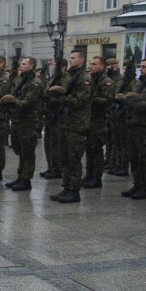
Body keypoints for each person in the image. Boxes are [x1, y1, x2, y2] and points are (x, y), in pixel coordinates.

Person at [47, 49, 92, 203]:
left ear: (82, 60)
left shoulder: (85, 79)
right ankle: (66, 187)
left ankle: (74, 190)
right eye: (70, 57)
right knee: (64, 158)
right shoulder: (68, 76)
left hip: (76, 125)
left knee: (73, 159)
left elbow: (80, 102)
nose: (71, 60)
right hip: (64, 123)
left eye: (74, 58)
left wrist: (63, 96)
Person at [118, 57, 146, 200]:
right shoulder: (140, 83)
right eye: (141, 66)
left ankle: (145, 187)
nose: (141, 69)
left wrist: (135, 103)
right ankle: (137, 183)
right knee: (134, 157)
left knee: (144, 159)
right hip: (133, 125)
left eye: (144, 67)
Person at [1, 56, 44, 191]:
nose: (21, 65)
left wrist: (13, 102)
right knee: (19, 150)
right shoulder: (20, 79)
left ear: (31, 66)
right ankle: (20, 176)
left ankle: (26, 180)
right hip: (17, 119)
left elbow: (29, 102)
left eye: (24, 64)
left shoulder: (35, 83)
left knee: (28, 152)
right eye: (21, 63)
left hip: (28, 121)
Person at [83, 56, 116, 189]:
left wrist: (92, 98)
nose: (91, 66)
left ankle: (97, 178)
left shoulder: (107, 81)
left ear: (102, 66)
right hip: (88, 119)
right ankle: (89, 174)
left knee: (96, 150)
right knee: (88, 149)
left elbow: (107, 100)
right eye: (91, 64)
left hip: (99, 120)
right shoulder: (90, 79)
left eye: (94, 64)